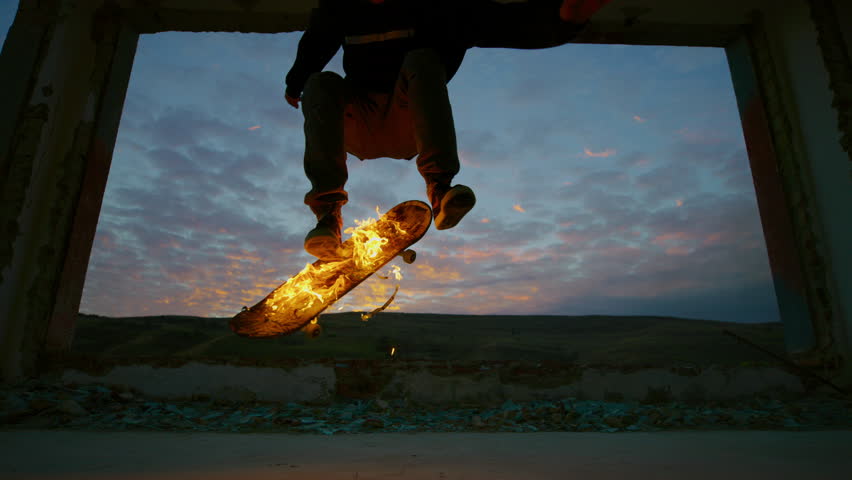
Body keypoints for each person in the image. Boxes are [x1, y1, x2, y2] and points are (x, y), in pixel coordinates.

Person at [285, 0, 612, 260]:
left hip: (409, 122)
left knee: (422, 59)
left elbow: (504, 22)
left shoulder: (439, 9)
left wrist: (563, 19)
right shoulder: (340, 8)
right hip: (358, 125)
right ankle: (328, 216)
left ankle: (440, 192)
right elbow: (317, 41)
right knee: (320, 82)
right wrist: (295, 82)